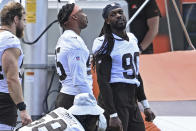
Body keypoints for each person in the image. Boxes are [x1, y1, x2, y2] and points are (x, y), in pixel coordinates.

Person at [92, 3, 155, 131]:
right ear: (107, 21)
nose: (119, 16)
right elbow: (103, 81)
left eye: (120, 12)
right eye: (113, 14)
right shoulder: (103, 43)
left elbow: (135, 74)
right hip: (115, 97)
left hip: (131, 98)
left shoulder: (132, 39)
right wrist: (112, 114)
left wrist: (145, 105)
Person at [55, 3, 93, 110]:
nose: (85, 15)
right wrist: (92, 102)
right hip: (75, 99)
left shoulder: (66, 38)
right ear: (74, 17)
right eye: (81, 11)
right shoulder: (74, 42)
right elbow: (79, 80)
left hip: (67, 95)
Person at [0, 1, 32, 130]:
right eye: (23, 20)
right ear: (15, 19)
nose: (24, 25)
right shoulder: (10, 41)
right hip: (4, 103)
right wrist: (23, 109)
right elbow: (11, 78)